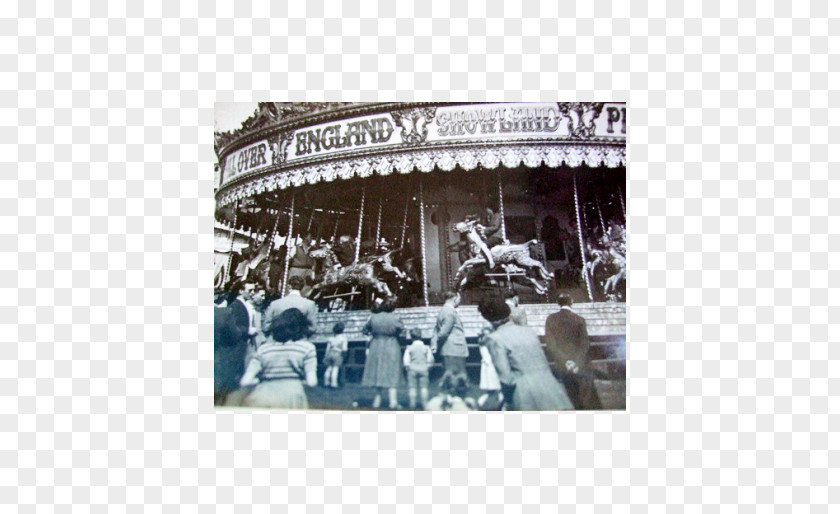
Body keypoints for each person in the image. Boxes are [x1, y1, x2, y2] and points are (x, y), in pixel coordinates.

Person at [478, 295, 574, 411]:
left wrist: (507, 402)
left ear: (488, 318)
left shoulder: (495, 339)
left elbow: (506, 378)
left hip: (525, 394)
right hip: (552, 389)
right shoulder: (528, 331)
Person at [240, 308, 318, 409]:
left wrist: (261, 380)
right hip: (292, 395)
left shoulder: (264, 349)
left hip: (263, 396)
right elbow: (312, 382)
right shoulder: (306, 348)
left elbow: (245, 381)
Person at [543, 294, 602, 410]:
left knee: (569, 399)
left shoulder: (551, 319)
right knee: (586, 398)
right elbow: (585, 343)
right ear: (571, 303)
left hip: (562, 365)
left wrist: (565, 361)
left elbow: (551, 344)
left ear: (558, 303)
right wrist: (575, 361)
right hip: (580, 364)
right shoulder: (579, 319)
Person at [361, 297, 405, 409]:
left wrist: (374, 334)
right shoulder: (396, 318)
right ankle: (393, 401)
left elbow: (365, 330)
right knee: (393, 372)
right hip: (391, 344)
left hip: (376, 344)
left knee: (378, 371)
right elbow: (402, 331)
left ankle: (377, 400)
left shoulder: (373, 317)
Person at [432, 291, 469, 386]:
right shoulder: (449, 312)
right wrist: (437, 343)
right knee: (458, 376)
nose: (460, 301)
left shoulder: (444, 310)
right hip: (454, 348)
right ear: (454, 298)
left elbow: (436, 330)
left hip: (450, 348)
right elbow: (443, 332)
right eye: (459, 299)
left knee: (451, 375)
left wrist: (435, 343)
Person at [402, 328, 434, 409]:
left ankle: (412, 404)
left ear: (411, 337)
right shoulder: (426, 347)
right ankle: (425, 405)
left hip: (412, 369)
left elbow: (406, 359)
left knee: (412, 387)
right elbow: (430, 359)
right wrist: (429, 366)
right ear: (421, 336)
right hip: (423, 369)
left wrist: (407, 367)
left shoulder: (409, 348)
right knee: (424, 388)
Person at [476, 327, 504, 410]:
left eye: (488, 334)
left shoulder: (494, 343)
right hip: (486, 363)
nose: (486, 336)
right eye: (484, 334)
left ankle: (499, 394)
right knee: (487, 380)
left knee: (494, 379)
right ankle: (488, 393)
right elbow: (483, 353)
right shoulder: (482, 343)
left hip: (492, 363)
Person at [323, 322, 348, 388]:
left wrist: (325, 356)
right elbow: (344, 349)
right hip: (338, 353)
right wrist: (343, 356)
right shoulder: (343, 339)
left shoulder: (330, 339)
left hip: (330, 353)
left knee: (329, 368)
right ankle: (334, 383)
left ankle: (326, 382)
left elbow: (327, 349)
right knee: (335, 369)